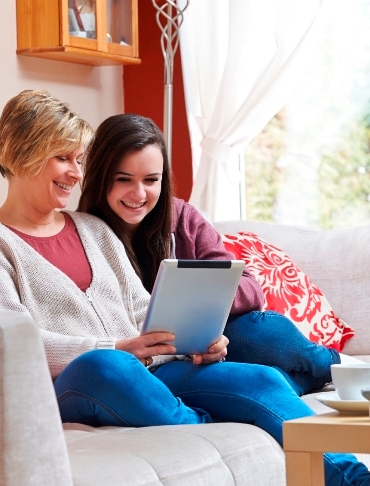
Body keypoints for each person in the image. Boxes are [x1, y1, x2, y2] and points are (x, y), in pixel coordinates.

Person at [0, 90, 370, 486]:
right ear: (23, 153)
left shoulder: (92, 228)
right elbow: (10, 340)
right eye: (63, 158)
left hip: (150, 369)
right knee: (107, 366)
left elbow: (142, 307)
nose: (75, 173)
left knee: (262, 379)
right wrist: (118, 346)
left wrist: (196, 340)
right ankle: (198, 420)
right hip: (75, 381)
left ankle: (358, 480)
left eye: (79, 160)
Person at [78, 113, 344, 395]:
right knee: (258, 370)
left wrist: (199, 308)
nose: (139, 193)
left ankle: (330, 364)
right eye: (124, 179)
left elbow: (250, 289)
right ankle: (304, 381)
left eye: (151, 180)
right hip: (155, 358)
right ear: (100, 176)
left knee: (256, 329)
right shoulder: (82, 234)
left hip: (216, 340)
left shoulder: (182, 219)